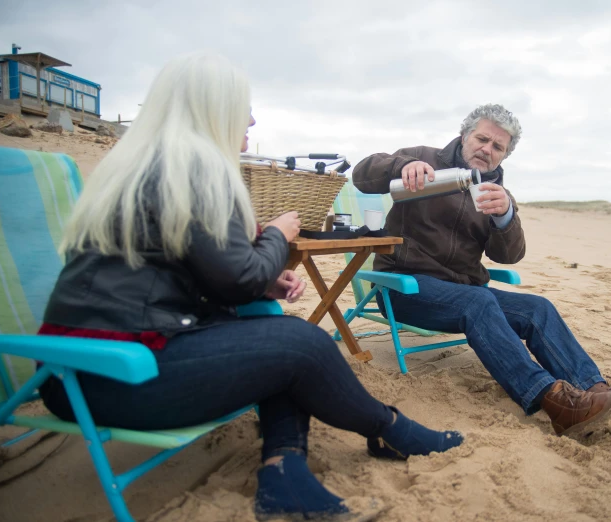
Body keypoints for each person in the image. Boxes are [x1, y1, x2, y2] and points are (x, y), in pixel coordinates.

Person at [36, 53, 463, 519]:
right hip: (109, 374)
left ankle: (285, 472)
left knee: (268, 324)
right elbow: (236, 279)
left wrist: (261, 284)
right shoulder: (190, 170)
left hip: (91, 367)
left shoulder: (154, 167)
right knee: (301, 344)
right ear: (212, 110)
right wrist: (277, 235)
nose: (252, 120)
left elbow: (183, 274)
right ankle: (389, 428)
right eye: (244, 109)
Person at [353, 103, 611, 437]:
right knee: (477, 302)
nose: (487, 149)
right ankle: (556, 403)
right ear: (465, 135)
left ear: (505, 155)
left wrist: (504, 217)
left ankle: (598, 394)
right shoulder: (421, 158)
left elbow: (509, 255)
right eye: (482, 138)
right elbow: (362, 174)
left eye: (498, 146)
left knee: (538, 308)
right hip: (405, 288)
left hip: (464, 292)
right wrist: (402, 165)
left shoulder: (496, 193)